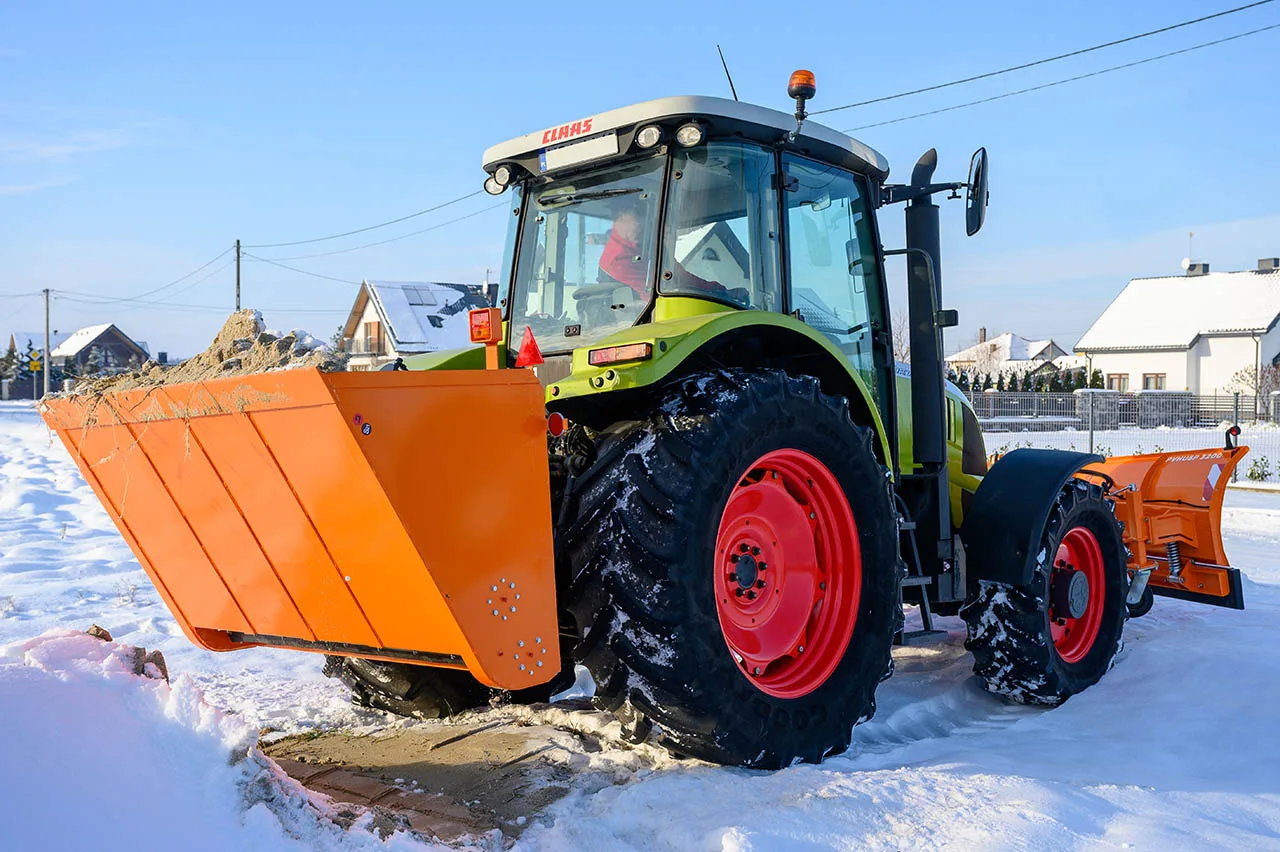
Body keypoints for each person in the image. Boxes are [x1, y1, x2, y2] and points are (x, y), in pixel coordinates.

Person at [598, 207, 729, 299]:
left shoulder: (640, 248)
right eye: (638, 223)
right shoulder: (619, 259)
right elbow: (663, 290)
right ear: (620, 219)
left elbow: (681, 277)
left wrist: (718, 290)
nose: (641, 228)